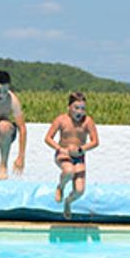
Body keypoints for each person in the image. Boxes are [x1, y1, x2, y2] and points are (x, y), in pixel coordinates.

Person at [44, 92, 99, 220]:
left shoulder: (87, 121)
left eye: (83, 109)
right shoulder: (61, 120)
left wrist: (81, 149)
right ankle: (60, 187)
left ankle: (68, 202)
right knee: (69, 171)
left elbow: (95, 141)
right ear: (69, 107)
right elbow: (48, 138)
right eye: (76, 108)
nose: (80, 112)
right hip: (63, 154)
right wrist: (59, 148)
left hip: (78, 156)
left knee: (79, 191)